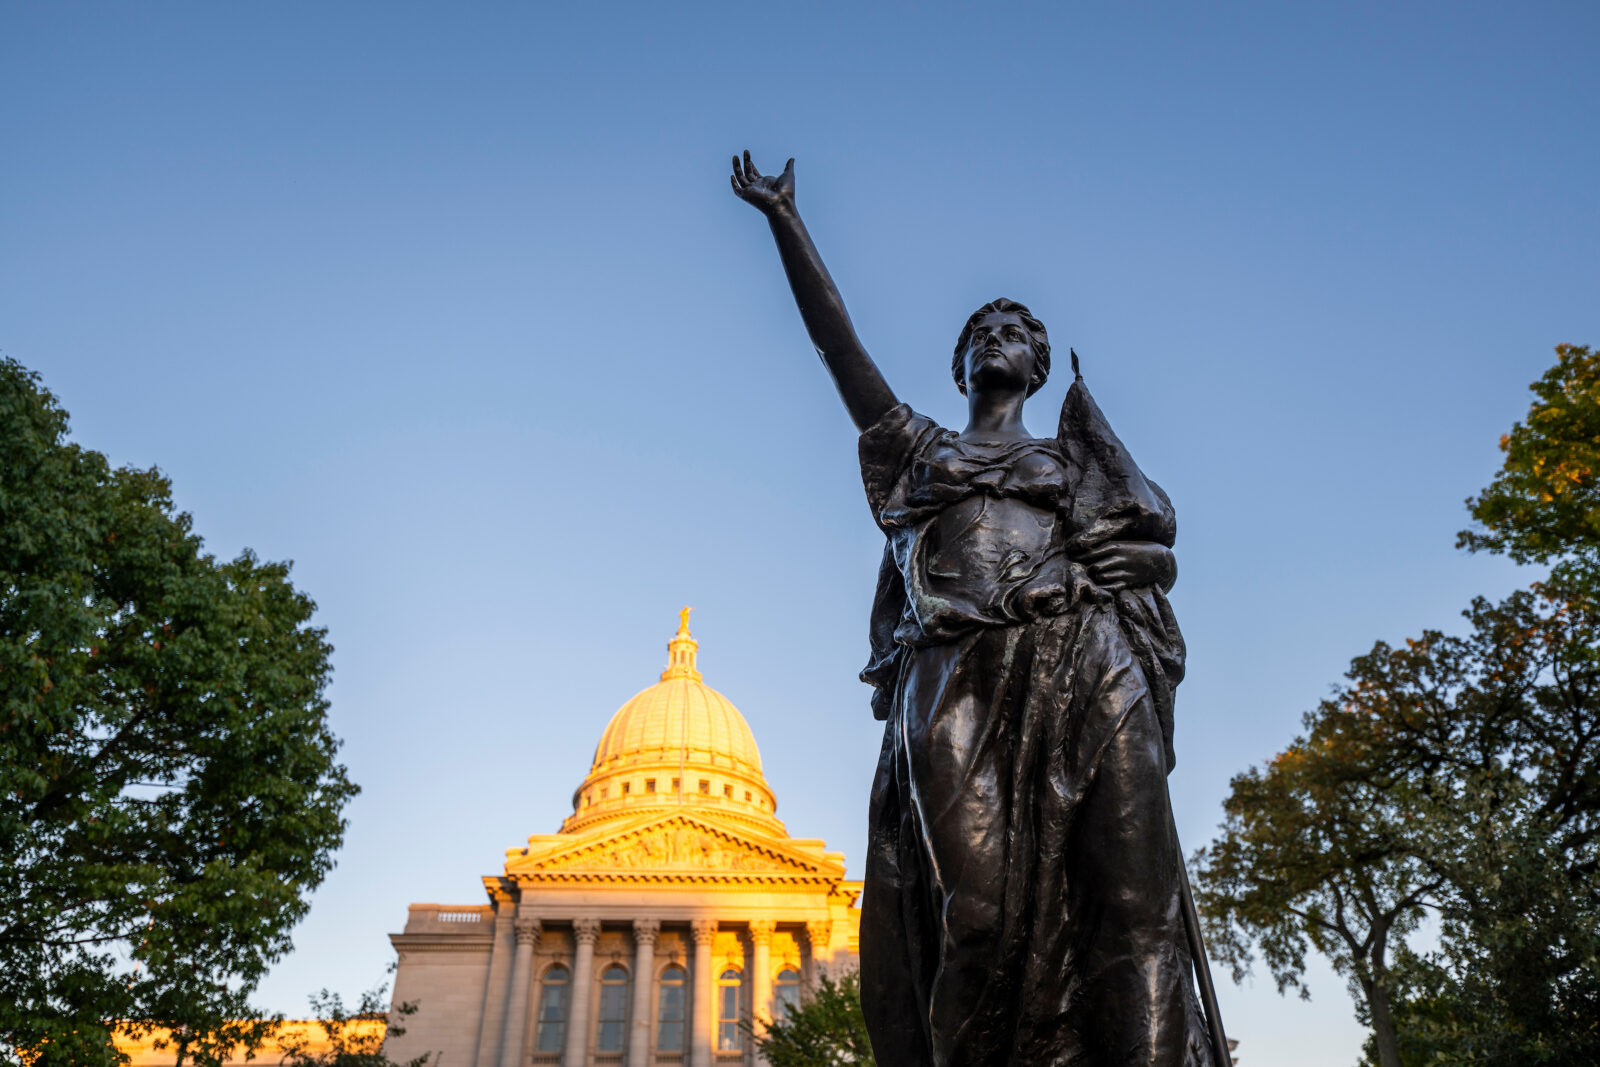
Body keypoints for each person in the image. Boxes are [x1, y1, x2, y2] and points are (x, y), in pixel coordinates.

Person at [731, 152, 1215, 1067]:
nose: (998, 336)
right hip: (954, 674)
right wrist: (786, 223)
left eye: (1015, 330)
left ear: (1036, 363)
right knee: (978, 914)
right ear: (961, 364)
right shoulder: (918, 451)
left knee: (1130, 902)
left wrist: (1126, 563)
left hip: (1085, 655)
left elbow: (1149, 542)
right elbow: (839, 349)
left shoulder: (1076, 458)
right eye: (981, 330)